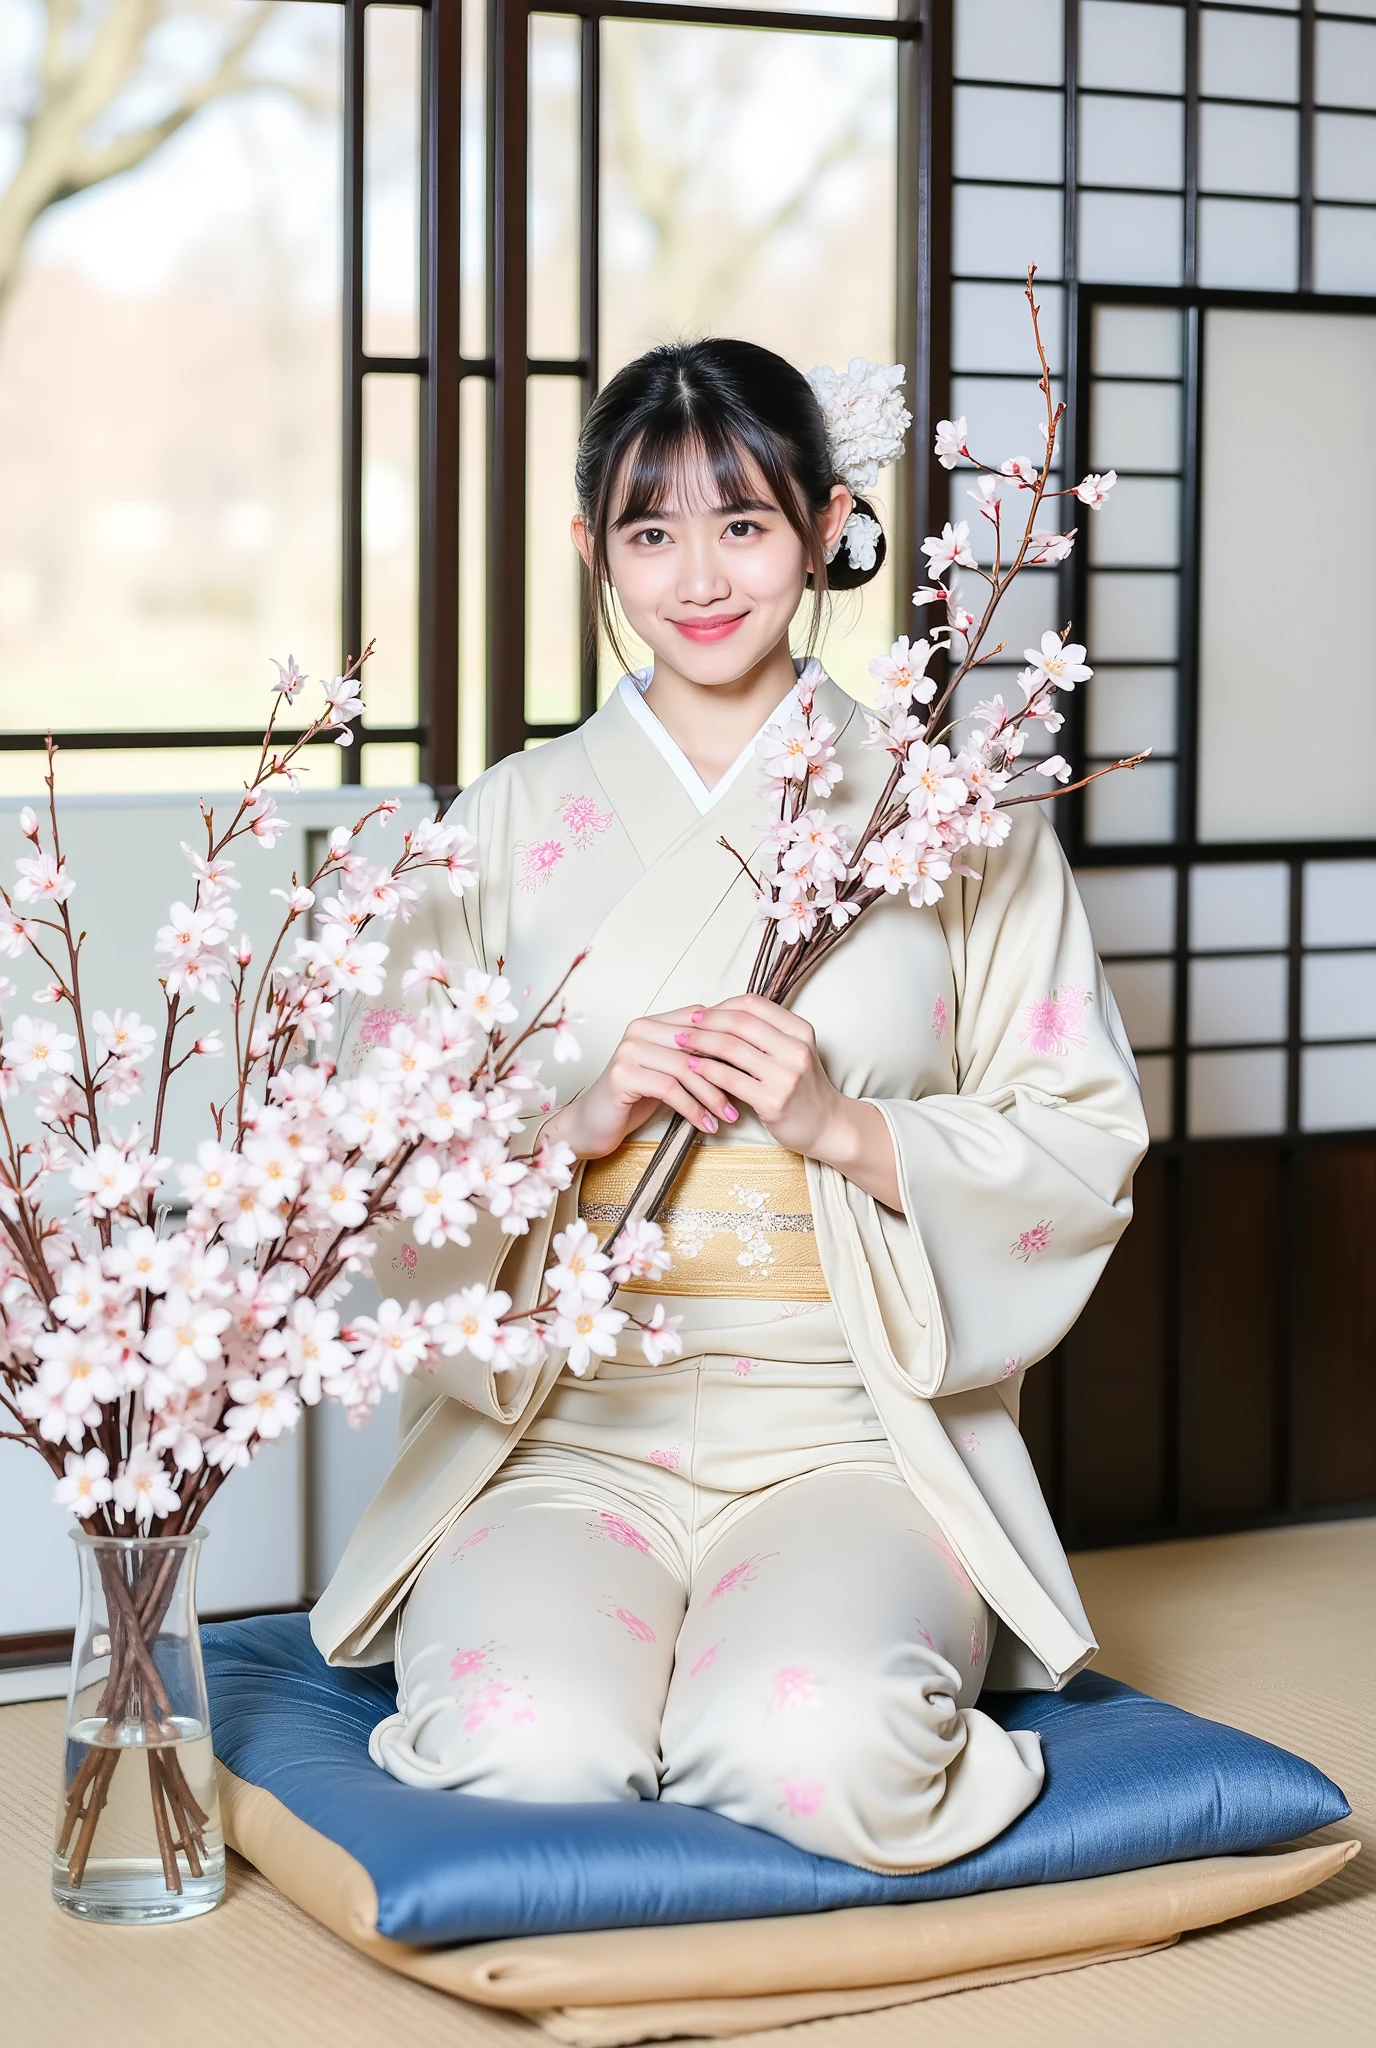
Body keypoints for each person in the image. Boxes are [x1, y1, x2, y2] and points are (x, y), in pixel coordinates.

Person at [310, 338, 1149, 1875]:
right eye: (650, 530)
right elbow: (367, 1151)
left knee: (818, 1746)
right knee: (523, 1749)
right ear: (592, 550)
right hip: (566, 1428)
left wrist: (845, 1126)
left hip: (853, 1431)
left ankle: (770, 1678)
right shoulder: (497, 823)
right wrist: (576, 1120)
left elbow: (1084, 1132)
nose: (700, 574)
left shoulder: (945, 815)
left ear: (828, 528)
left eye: (746, 523)